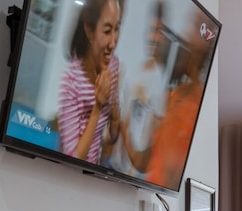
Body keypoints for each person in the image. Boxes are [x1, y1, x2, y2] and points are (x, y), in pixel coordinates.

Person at [122, 8, 216, 190]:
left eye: (196, 27)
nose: (186, 33)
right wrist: (123, 127)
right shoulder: (172, 97)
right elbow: (143, 162)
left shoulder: (194, 109)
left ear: (205, 45)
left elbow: (170, 173)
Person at [56, 0, 122, 164]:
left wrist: (115, 118)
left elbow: (113, 137)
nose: (113, 42)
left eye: (117, 29)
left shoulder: (113, 66)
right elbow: (72, 158)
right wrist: (97, 107)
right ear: (90, 31)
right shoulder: (71, 81)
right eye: (107, 31)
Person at [110, 0, 169, 177]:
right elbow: (120, 118)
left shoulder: (161, 82)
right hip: (111, 165)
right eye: (151, 30)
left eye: (159, 32)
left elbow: (153, 142)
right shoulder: (135, 69)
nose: (153, 37)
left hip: (133, 177)